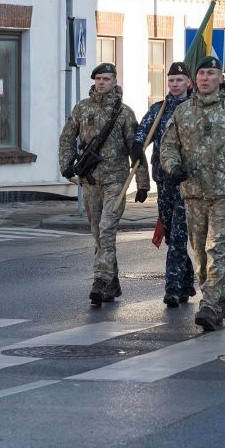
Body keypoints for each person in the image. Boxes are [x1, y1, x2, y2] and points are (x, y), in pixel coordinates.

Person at [159, 56, 225, 331]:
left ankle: (209, 304)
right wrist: (173, 167)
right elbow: (167, 145)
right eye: (202, 73)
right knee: (199, 254)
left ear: (220, 78)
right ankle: (215, 298)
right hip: (193, 192)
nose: (205, 78)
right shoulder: (182, 112)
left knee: (216, 248)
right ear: (196, 79)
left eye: (211, 73)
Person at [59, 63, 149, 305]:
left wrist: (142, 182)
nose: (101, 83)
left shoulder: (124, 113)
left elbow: (136, 149)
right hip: (90, 182)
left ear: (114, 81)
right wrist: (66, 165)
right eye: (98, 78)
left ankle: (99, 280)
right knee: (99, 234)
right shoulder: (82, 108)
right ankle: (112, 283)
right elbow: (67, 138)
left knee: (107, 229)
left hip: (115, 181)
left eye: (106, 79)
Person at [133, 62, 195, 307]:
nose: (175, 85)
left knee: (179, 235)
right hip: (164, 180)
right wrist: (137, 148)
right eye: (171, 81)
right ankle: (187, 281)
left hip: (188, 183)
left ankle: (173, 287)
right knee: (170, 234)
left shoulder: (195, 108)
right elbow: (142, 133)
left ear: (188, 82)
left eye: (179, 80)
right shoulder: (160, 109)